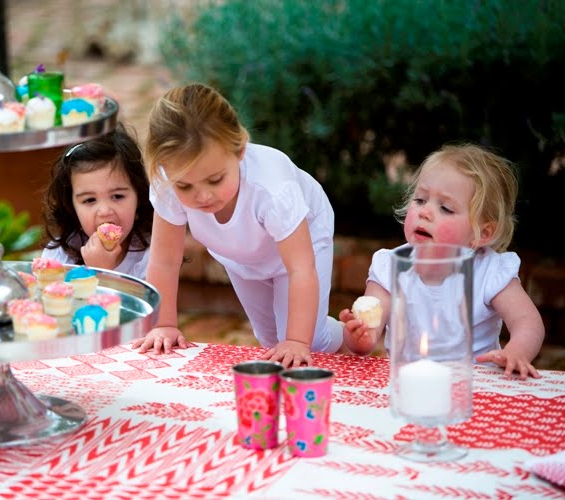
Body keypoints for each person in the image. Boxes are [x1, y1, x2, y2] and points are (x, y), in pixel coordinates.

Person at [131, 83, 342, 368]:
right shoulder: (169, 183)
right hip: (241, 249)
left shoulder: (272, 189)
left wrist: (297, 341)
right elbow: (165, 261)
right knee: (270, 338)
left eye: (215, 180)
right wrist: (163, 323)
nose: (203, 196)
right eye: (185, 186)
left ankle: (348, 338)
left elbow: (300, 268)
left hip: (301, 243)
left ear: (240, 150)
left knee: (306, 339)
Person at [339, 143, 545, 379]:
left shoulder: (489, 270)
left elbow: (527, 321)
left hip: (475, 388)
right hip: (407, 384)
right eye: (420, 200)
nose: (425, 212)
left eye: (445, 208)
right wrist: (359, 336)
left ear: (482, 233)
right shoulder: (390, 267)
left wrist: (517, 350)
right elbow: (369, 332)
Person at [41, 123, 153, 278]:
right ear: (72, 207)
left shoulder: (152, 253)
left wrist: (104, 272)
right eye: (89, 200)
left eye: (117, 196)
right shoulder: (59, 257)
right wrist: (96, 270)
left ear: (139, 197)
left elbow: (149, 302)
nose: (105, 211)